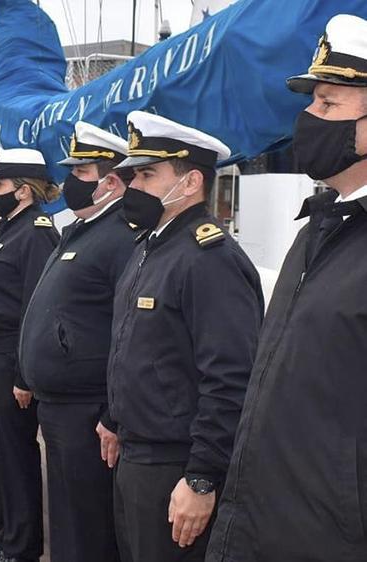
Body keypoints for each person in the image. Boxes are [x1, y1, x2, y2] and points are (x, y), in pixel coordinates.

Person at [207, 15, 367, 561]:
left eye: (328, 104)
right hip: (264, 524)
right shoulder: (321, 225)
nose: (308, 117)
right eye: (312, 102)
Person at [105, 111, 264, 562]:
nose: (134, 187)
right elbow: (136, 348)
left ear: (191, 181)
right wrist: (114, 419)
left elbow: (231, 377)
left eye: (147, 174)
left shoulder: (208, 259)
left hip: (176, 466)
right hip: (136, 454)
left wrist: (202, 478)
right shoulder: (151, 248)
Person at [19, 122, 134, 561]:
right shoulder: (79, 230)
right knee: (66, 518)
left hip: (89, 411)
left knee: (90, 525)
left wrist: (112, 411)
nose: (70, 181)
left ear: (110, 181)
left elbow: (127, 332)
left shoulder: (121, 236)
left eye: (81, 172)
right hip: (61, 404)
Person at [0, 148, 61, 562]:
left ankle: (21, 546)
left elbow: (35, 308)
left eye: (0, 184)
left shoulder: (36, 232)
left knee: (16, 453)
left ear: (23, 191)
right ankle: (6, 526)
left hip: (9, 358)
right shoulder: (10, 226)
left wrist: (24, 374)